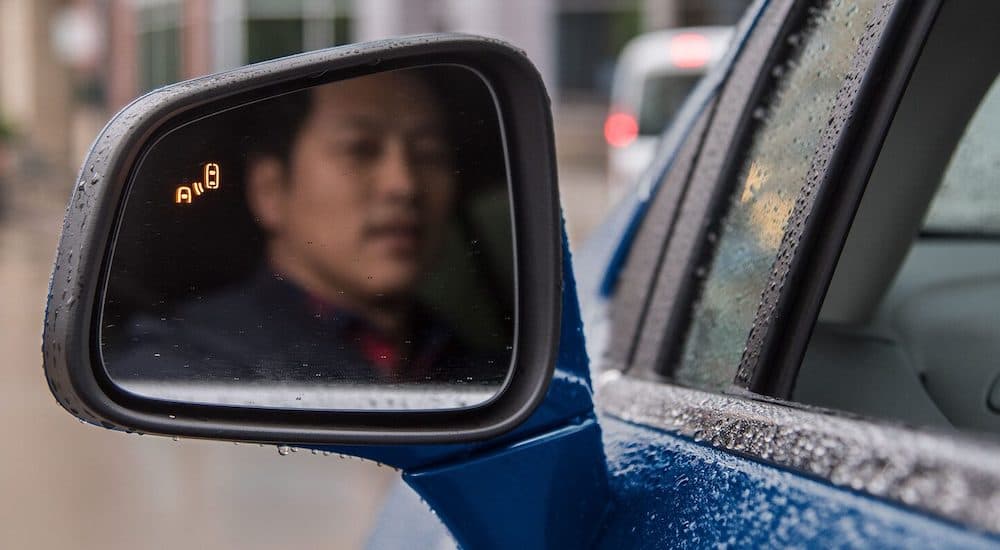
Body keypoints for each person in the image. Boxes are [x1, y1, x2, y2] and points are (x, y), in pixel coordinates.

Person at [108, 69, 508, 387]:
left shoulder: (493, 372)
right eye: (360, 149)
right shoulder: (180, 366)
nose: (403, 185)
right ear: (270, 190)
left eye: (429, 154)